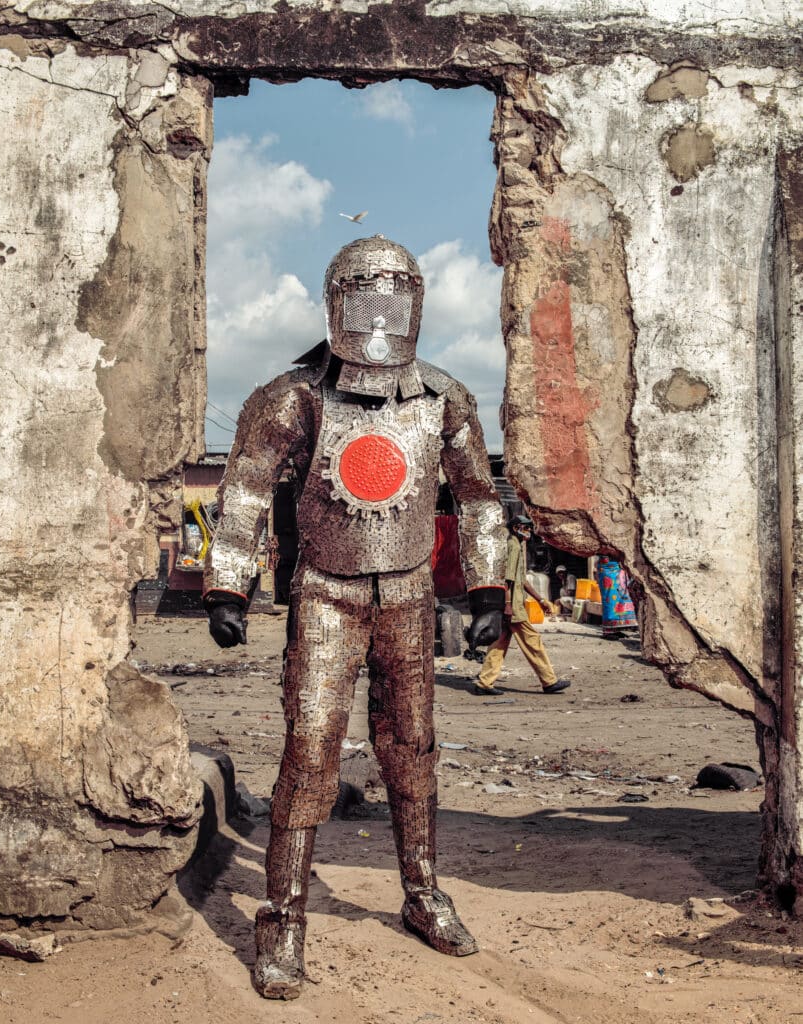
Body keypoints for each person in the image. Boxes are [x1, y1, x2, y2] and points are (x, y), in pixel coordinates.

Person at [202, 236, 508, 1000]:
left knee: (412, 748)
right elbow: (243, 489)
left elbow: (475, 497)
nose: (378, 315)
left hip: (406, 594)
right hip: (325, 593)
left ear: (414, 304)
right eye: (365, 299)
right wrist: (228, 585)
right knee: (310, 752)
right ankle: (283, 919)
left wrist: (488, 590)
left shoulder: (443, 396)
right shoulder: (293, 395)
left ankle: (423, 890)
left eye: (391, 299)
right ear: (337, 303)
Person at [474, 515, 572, 696]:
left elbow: (522, 579)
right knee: (532, 641)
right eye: (525, 528)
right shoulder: (512, 546)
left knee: (498, 644)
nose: (528, 531)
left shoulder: (517, 545)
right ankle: (549, 681)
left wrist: (540, 600)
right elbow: (508, 580)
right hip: (512, 606)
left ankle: (484, 683)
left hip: (510, 604)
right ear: (515, 528)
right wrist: (509, 605)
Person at [596, 555, 638, 639]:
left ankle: (616, 629)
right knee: (610, 600)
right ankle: (608, 631)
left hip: (619, 569)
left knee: (622, 598)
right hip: (606, 568)